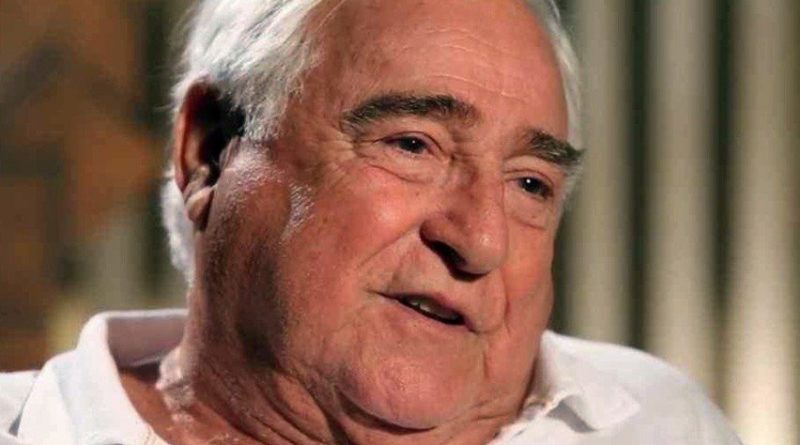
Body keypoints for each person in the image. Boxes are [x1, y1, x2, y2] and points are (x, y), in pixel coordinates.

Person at [0, 0, 743, 444]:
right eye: (413, 145)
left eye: (530, 183)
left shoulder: (659, 422)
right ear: (210, 150)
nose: (480, 240)